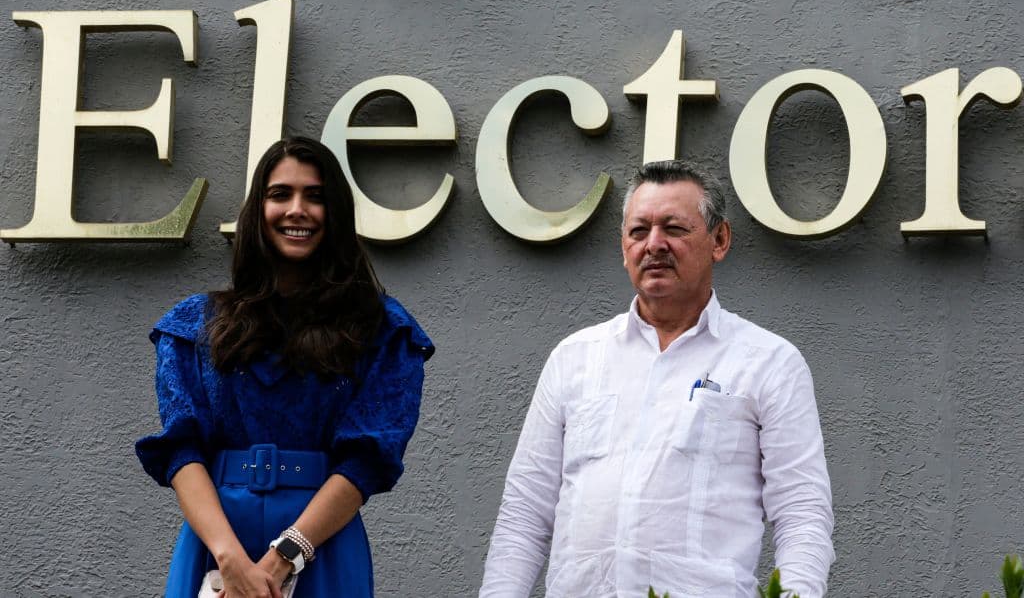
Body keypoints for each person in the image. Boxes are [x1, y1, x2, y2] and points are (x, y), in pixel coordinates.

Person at [479, 160, 834, 598]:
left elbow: (802, 515)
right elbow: (524, 515)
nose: (654, 245)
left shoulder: (768, 362)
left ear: (719, 240)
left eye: (674, 228)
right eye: (638, 231)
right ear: (622, 246)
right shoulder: (575, 358)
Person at [135, 136, 433, 598]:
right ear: (258, 209)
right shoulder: (194, 325)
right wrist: (229, 559)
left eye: (315, 196)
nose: (298, 209)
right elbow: (182, 450)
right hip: (217, 545)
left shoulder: (381, 329)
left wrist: (283, 558)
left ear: (336, 213)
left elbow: (367, 460)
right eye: (281, 195)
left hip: (322, 544)